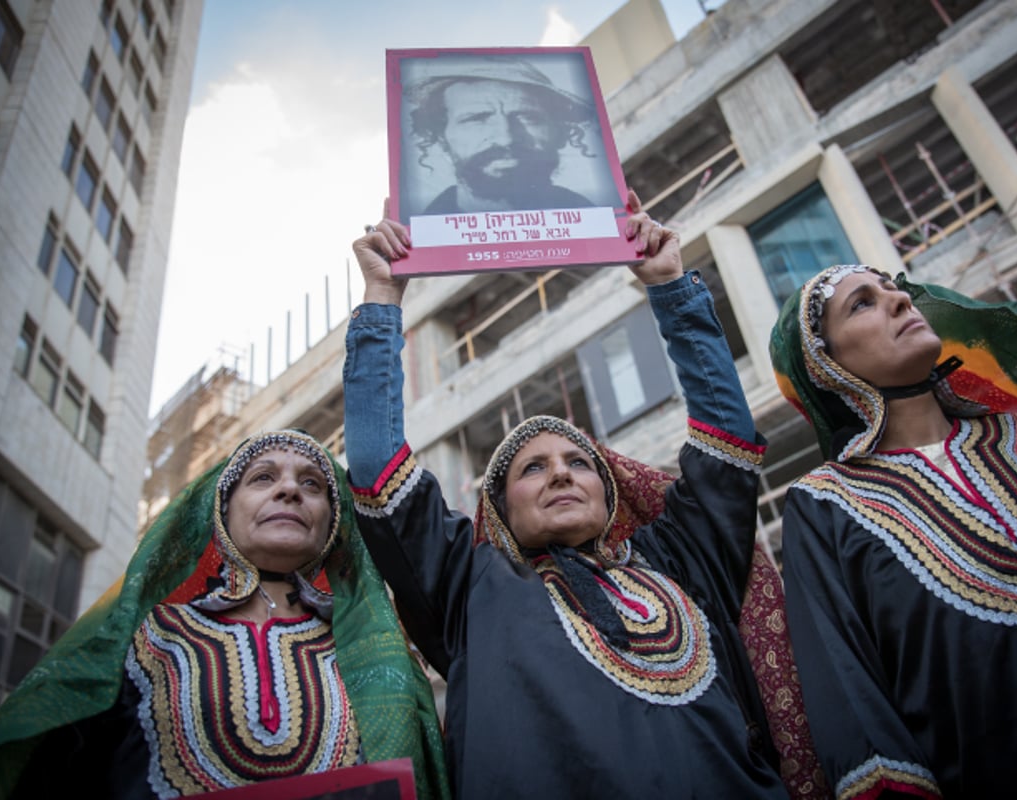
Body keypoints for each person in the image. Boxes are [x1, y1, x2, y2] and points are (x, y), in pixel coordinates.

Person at [343, 193, 825, 798]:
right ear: (500, 510)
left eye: (578, 462)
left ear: (608, 490)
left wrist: (672, 288)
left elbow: (726, 440)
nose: (562, 474)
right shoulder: (468, 587)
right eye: (533, 469)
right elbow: (375, 466)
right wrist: (382, 302)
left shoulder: (681, 560)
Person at [769, 264, 1017, 798]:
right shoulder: (823, 505)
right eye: (861, 304)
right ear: (825, 365)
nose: (898, 301)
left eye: (893, 288)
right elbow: (848, 688)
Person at [0, 430, 450, 800]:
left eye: (313, 484)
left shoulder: (381, 657)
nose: (289, 489)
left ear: (334, 520)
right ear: (222, 511)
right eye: (263, 478)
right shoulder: (144, 640)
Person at [403, 56, 615, 215]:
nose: (506, 138)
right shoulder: (421, 236)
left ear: (559, 132)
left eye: (527, 117)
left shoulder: (594, 218)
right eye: (477, 118)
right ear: (442, 140)